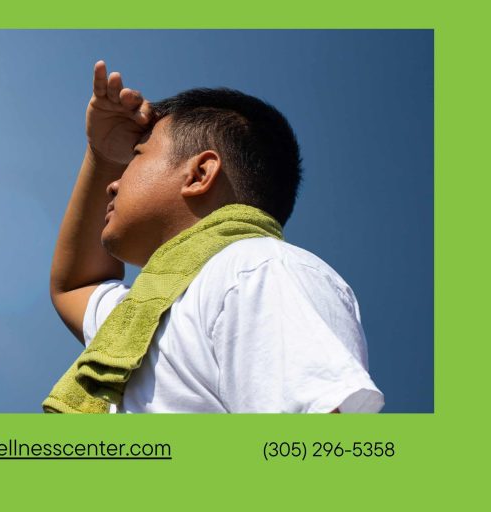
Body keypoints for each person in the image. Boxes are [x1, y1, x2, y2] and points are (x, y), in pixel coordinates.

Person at [45, 60, 384, 413]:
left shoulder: (254, 270)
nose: (113, 183)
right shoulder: (139, 322)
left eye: (135, 158)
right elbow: (74, 285)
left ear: (199, 174)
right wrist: (103, 157)